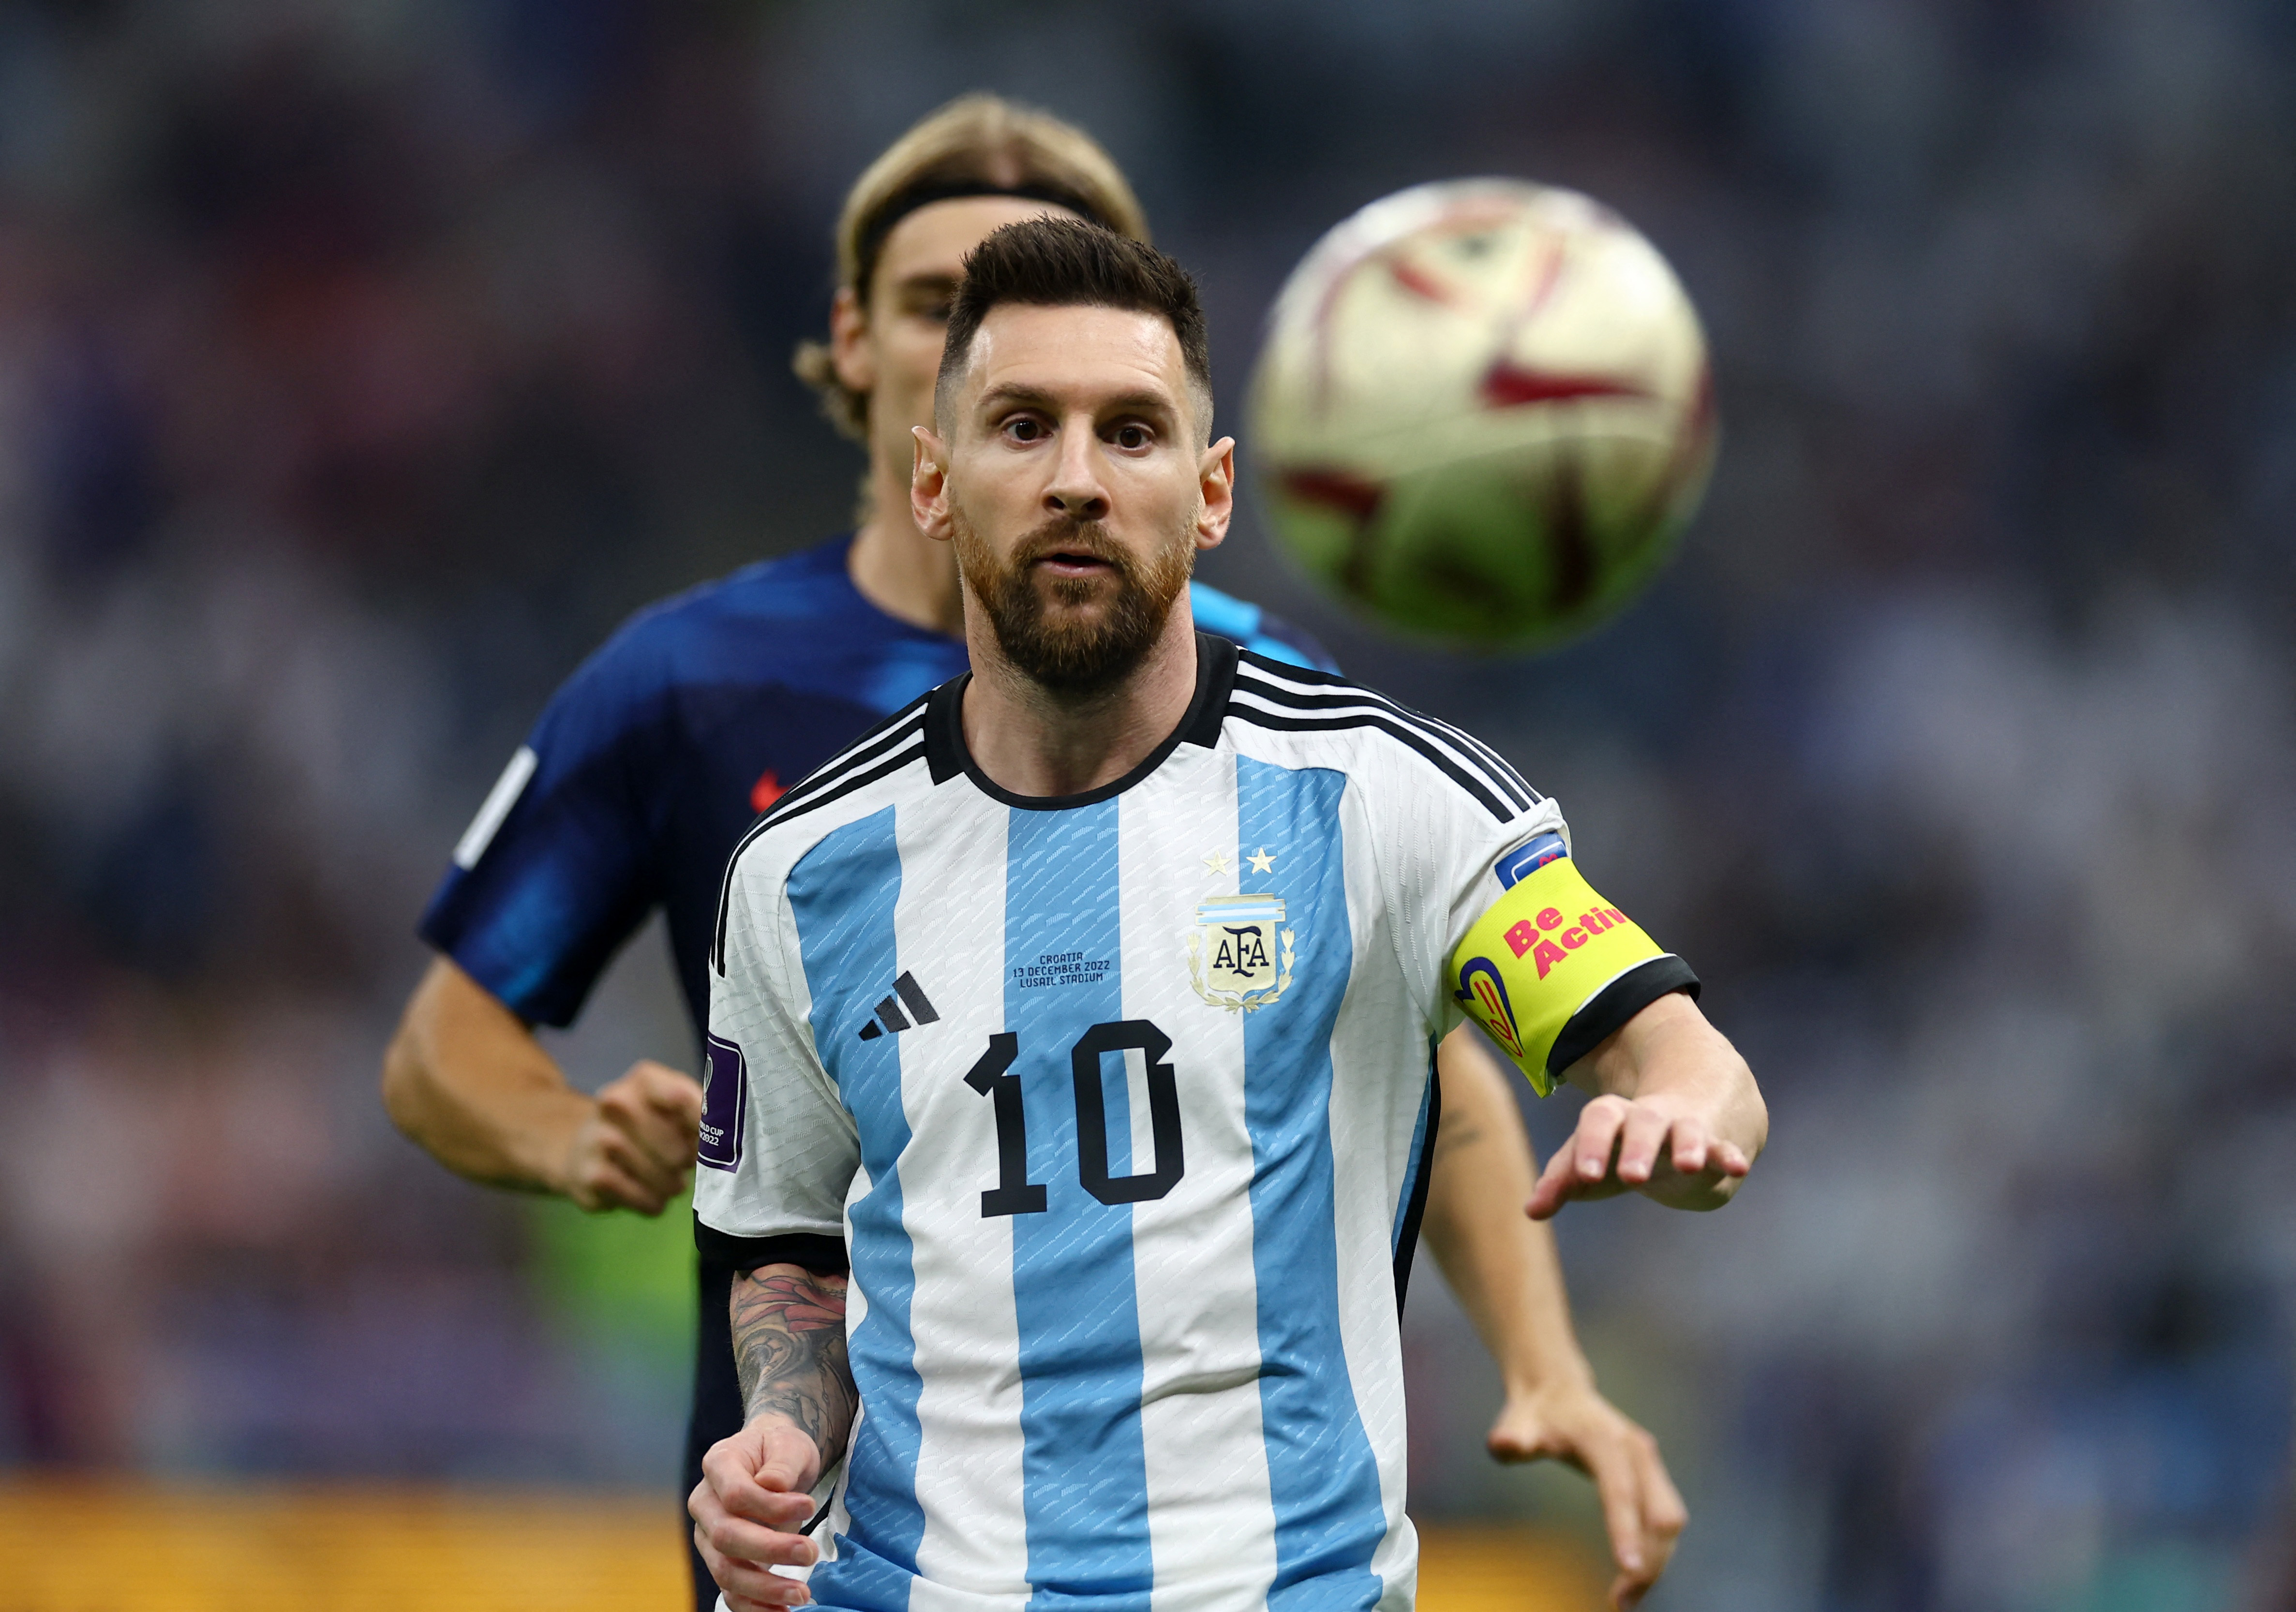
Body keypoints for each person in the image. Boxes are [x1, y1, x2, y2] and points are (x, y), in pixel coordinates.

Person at [385, 97, 1681, 1611]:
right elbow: (440, 1053)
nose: (1071, 455)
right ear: (865, 349)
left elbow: (1417, 1058)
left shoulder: (1269, 702)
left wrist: (1544, 1362)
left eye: (1121, 416)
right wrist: (569, 1136)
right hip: (817, 1514)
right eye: (946, 303)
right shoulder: (688, 687)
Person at [686, 218, 1766, 1612]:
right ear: (934, 483)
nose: (1076, 479)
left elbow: (1676, 1054)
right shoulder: (801, 868)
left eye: (1129, 434)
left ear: (1209, 495)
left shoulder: (1382, 801)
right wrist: (778, 1433)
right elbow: (791, 1247)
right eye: (1024, 427)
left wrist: (1681, 1120)